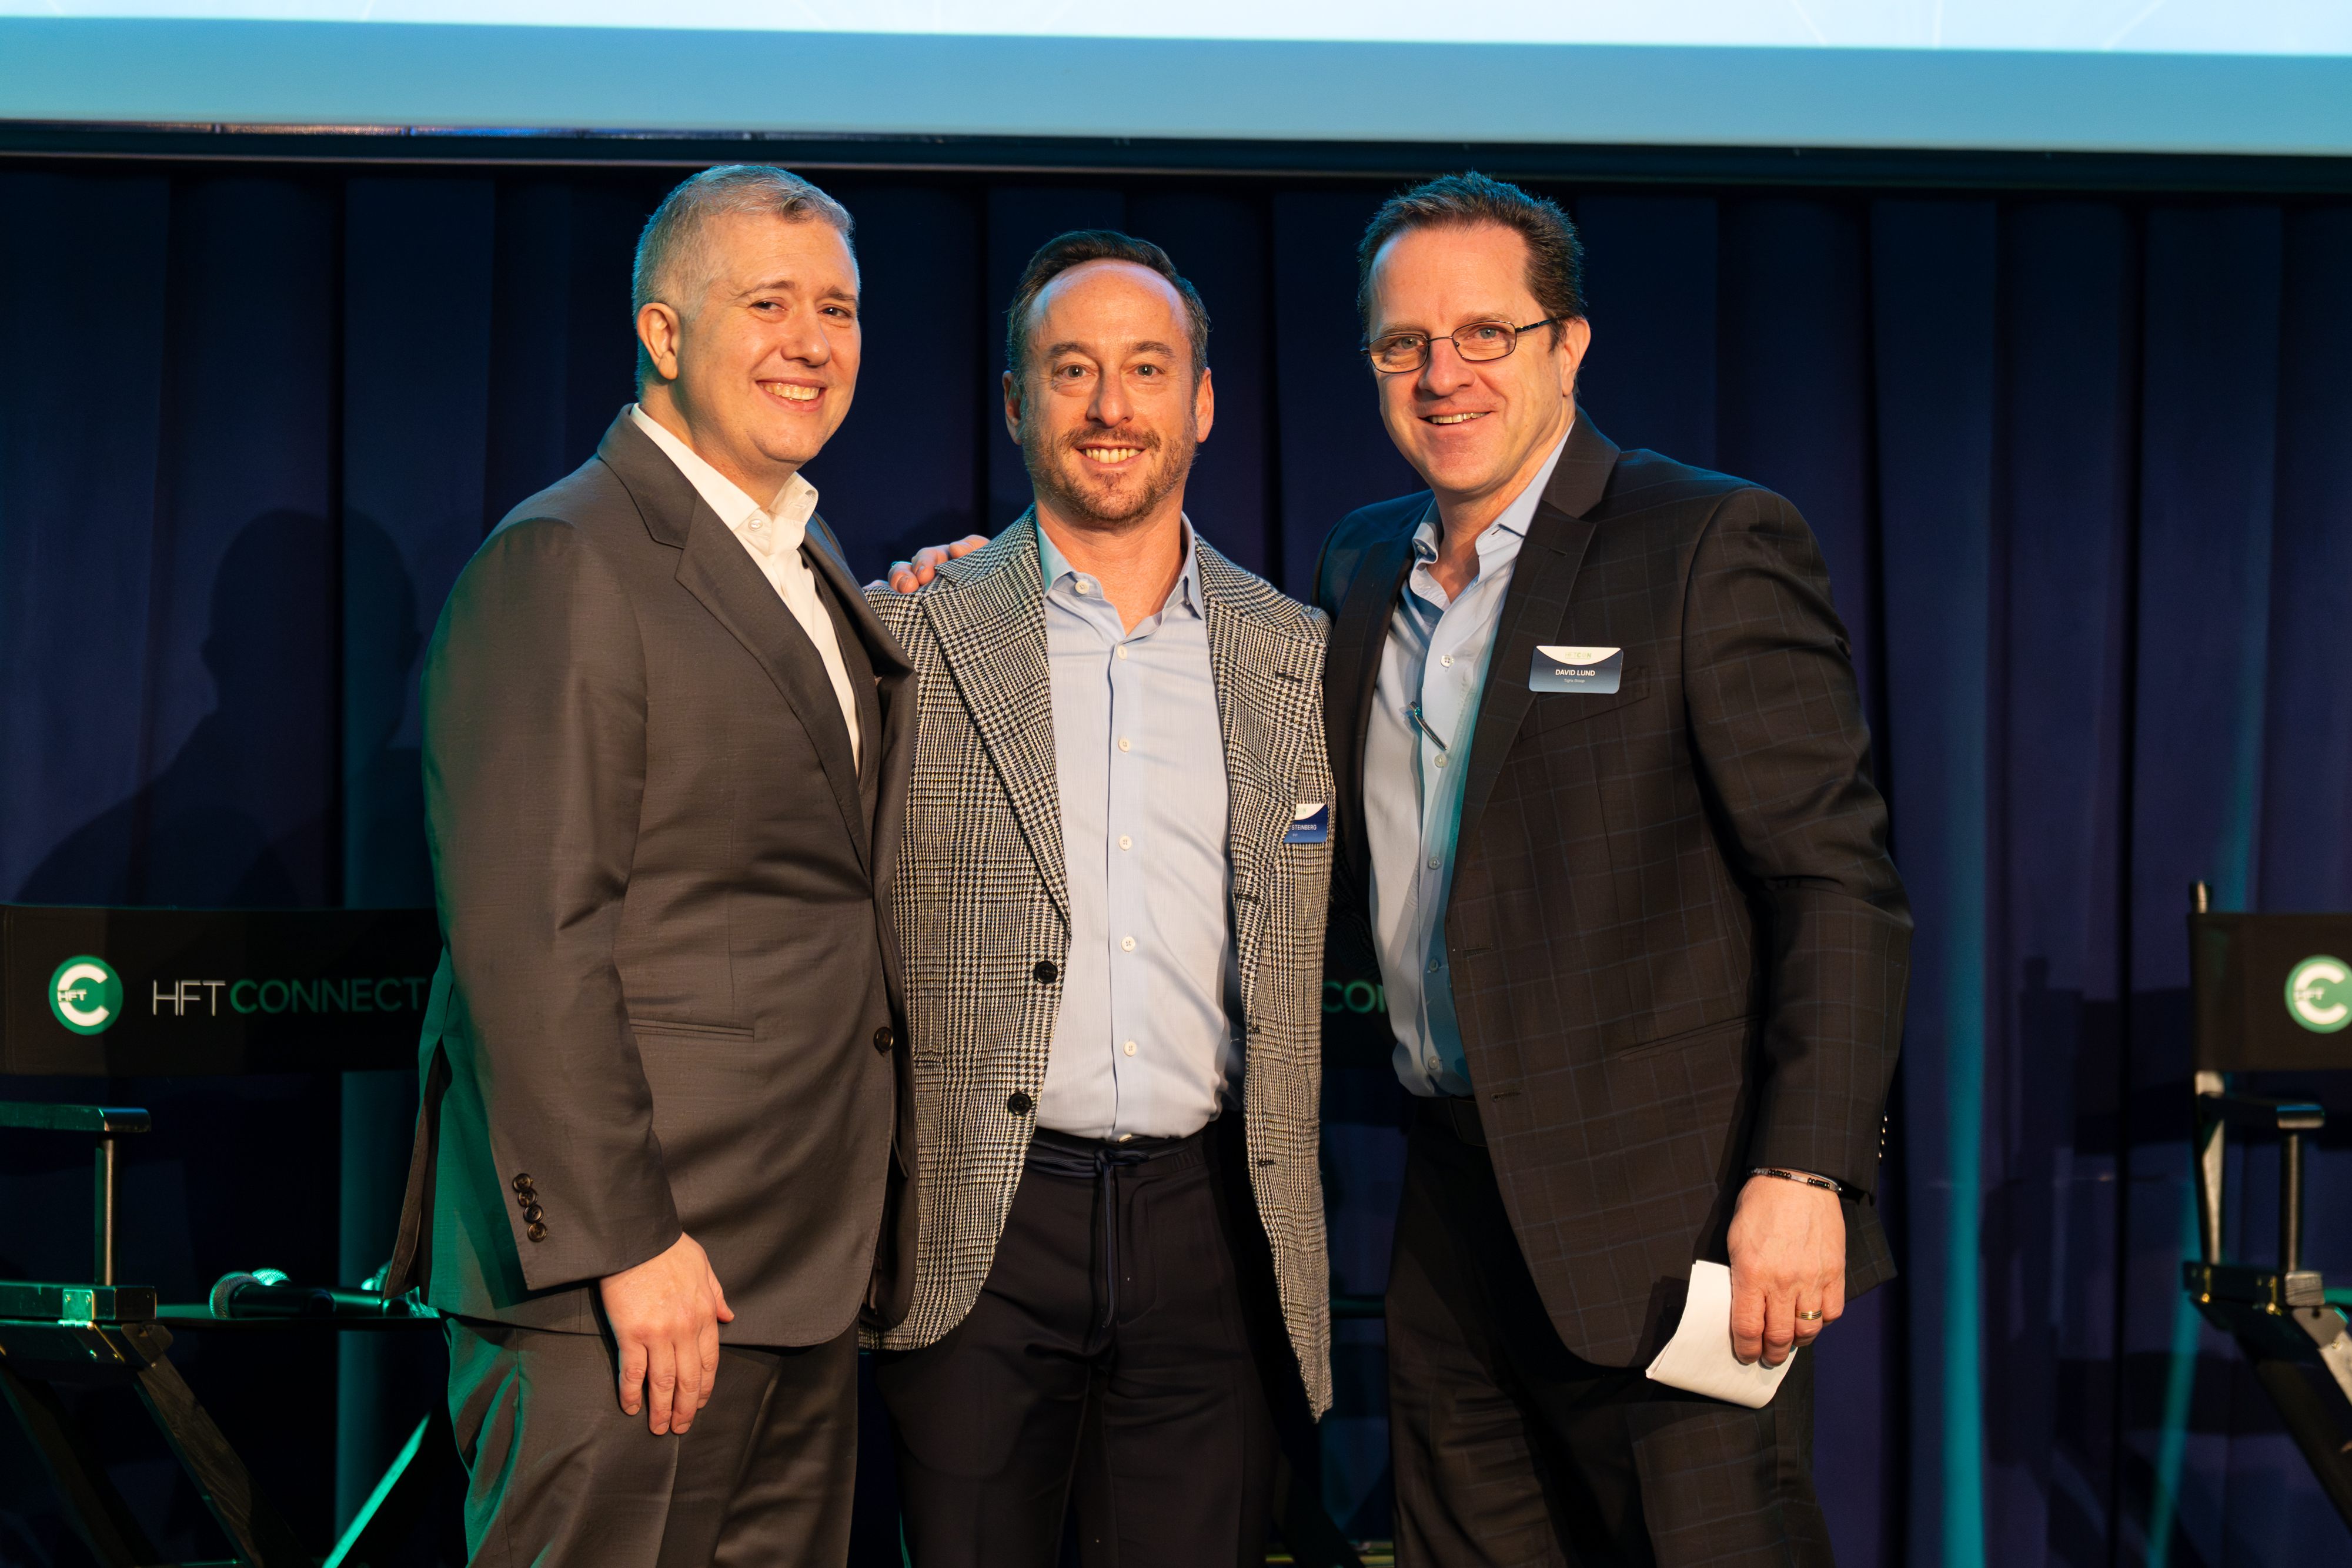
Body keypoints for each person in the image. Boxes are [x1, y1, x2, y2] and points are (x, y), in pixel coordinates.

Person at [1314, 172, 1910, 1565]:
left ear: (1567, 345)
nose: (1440, 373)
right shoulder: (1357, 561)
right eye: (1401, 343)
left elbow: (1835, 883)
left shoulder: (1704, 541)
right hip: (1449, 1212)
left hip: (1673, 1219)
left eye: (1484, 333)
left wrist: (1808, 1169)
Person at [379, 164, 915, 1564]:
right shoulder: (566, 555)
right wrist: (627, 1243)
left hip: (790, 1267)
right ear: (663, 333)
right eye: (768, 303)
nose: (812, 339)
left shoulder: (804, 553)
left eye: (838, 307)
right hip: (630, 1282)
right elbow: (527, 938)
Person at [864, 230, 1335, 1567]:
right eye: (1071, 370)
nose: (1111, 407)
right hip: (976, 1225)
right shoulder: (906, 635)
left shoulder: (1296, 655)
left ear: (1201, 402)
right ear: (1016, 404)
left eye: (1145, 369)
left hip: (1214, 1225)